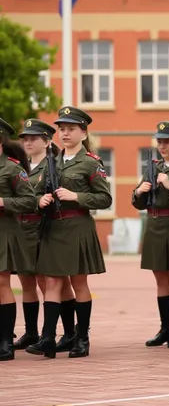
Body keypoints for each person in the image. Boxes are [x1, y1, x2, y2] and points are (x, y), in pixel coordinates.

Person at [27, 107, 112, 359]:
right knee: (52, 281)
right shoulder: (50, 162)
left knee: (78, 282)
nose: (65, 133)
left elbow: (105, 198)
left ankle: (82, 338)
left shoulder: (90, 162)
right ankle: (49, 338)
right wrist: (39, 200)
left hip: (77, 227)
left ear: (83, 132)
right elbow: (34, 192)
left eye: (71, 129)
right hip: (53, 227)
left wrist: (77, 196)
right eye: (62, 129)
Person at [14, 119, 77, 352]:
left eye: (33, 138)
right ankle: (31, 332)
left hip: (44, 229)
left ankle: (68, 331)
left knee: (51, 281)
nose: (28, 142)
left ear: (47, 141)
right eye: (25, 138)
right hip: (21, 230)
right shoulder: (21, 167)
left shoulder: (54, 167)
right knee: (26, 280)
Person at [132, 121, 169, 348]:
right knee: (160, 278)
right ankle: (166, 327)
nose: (162, 146)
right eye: (159, 142)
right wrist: (139, 191)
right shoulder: (152, 166)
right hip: (154, 224)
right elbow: (137, 201)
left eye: (166, 141)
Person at [0, 117, 36, 361]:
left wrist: (4, 202)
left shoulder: (12, 168)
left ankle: (5, 342)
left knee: (2, 284)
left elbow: (29, 201)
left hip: (4, 231)